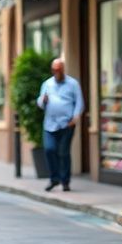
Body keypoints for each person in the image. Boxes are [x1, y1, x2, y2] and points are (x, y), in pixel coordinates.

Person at [37, 58, 84, 192]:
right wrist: (43, 100)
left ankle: (65, 181)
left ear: (63, 69)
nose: (57, 72)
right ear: (52, 70)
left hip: (66, 124)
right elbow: (40, 103)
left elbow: (79, 102)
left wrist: (74, 119)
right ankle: (54, 178)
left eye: (59, 69)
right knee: (49, 149)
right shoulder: (47, 84)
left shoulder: (73, 84)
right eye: (55, 69)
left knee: (63, 152)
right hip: (50, 124)